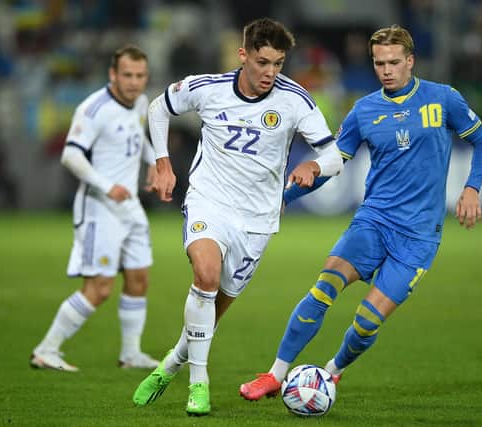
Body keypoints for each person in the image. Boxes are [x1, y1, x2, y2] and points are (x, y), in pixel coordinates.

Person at [239, 24, 482, 400]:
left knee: (367, 322)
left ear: (410, 61)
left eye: (394, 62)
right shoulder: (364, 110)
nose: (386, 70)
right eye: (379, 63)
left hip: (419, 236)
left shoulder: (444, 99)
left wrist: (472, 187)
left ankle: (330, 373)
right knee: (324, 287)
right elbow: (332, 165)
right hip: (373, 221)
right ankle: (275, 374)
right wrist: (285, 199)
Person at [131, 18, 344, 416]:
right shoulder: (207, 89)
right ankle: (200, 384)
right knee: (206, 276)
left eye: (278, 64)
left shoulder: (294, 99)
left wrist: (314, 169)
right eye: (263, 62)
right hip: (209, 201)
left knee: (214, 308)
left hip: (258, 219)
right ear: (243, 54)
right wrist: (162, 163)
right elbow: (159, 107)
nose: (270, 73)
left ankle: (174, 362)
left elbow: (333, 157)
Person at [30, 45, 159, 372]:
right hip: (99, 209)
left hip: (130, 206)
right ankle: (47, 349)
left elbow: (137, 138)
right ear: (112, 75)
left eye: (140, 76)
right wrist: (106, 185)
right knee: (99, 289)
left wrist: (155, 163)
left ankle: (131, 354)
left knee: (139, 278)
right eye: (127, 75)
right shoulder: (93, 109)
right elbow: (70, 155)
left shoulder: (141, 103)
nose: (133, 82)